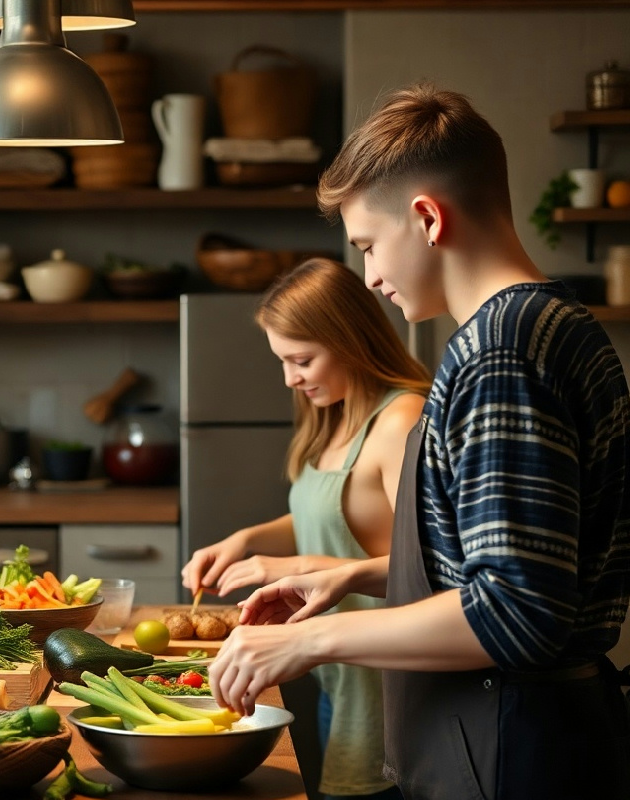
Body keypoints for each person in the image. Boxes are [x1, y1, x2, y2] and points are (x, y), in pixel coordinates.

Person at [213, 84, 630, 800]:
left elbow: (515, 611)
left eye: (370, 246)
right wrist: (354, 577)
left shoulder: (501, 354)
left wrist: (309, 640)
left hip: (513, 747)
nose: (371, 278)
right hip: (521, 733)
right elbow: (514, 565)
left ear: (428, 218)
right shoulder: (548, 324)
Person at [182, 257, 427, 800]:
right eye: (284, 361)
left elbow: (428, 569)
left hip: (384, 685)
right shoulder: (336, 416)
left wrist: (295, 567)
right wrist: (246, 539)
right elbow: (329, 516)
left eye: (302, 360)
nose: (290, 378)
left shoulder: (401, 419)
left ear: (351, 340)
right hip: (334, 673)